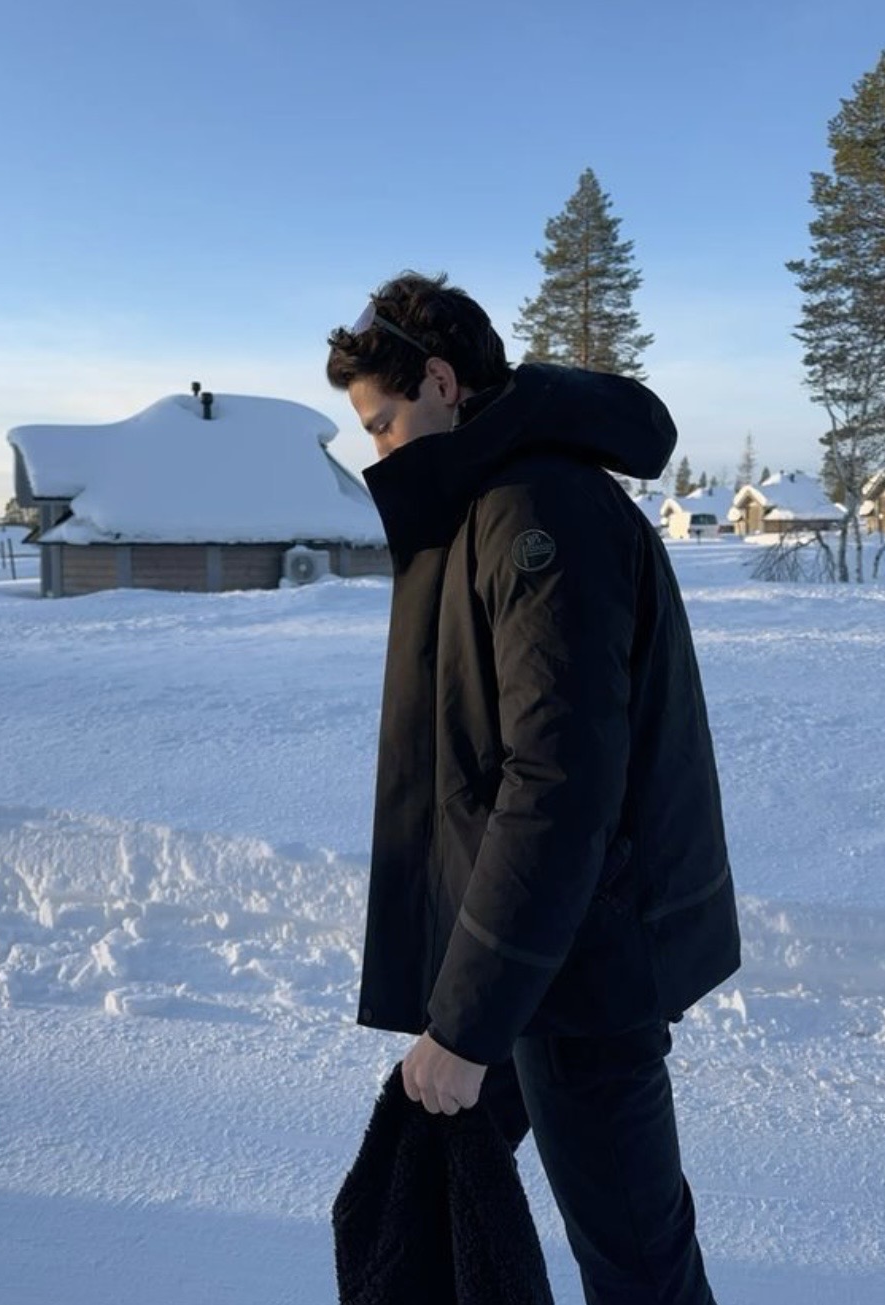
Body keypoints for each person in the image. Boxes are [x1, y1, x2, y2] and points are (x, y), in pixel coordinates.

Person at [326, 272, 740, 1304]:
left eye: (380, 424)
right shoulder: (487, 503)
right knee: (436, 1192)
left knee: (639, 1264)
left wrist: (468, 1023)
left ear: (440, 383)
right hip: (533, 956)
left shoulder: (534, 512)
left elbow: (556, 787)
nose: (378, 452)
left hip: (581, 970)